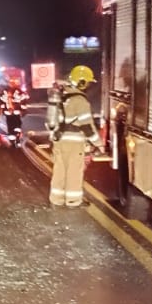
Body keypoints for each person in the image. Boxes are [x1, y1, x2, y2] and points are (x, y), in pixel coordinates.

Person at [49, 65, 102, 207]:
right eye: (88, 82)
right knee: (74, 171)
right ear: (82, 82)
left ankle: (56, 199)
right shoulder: (80, 100)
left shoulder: (62, 96)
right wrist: (98, 143)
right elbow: (87, 126)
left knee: (59, 170)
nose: (88, 86)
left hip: (58, 140)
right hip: (74, 143)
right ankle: (73, 201)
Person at [0, 78, 29, 144]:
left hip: (11, 112)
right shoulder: (18, 91)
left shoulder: (6, 91)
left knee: (13, 124)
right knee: (15, 123)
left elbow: (0, 101)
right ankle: (15, 136)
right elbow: (24, 99)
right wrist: (23, 109)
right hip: (13, 112)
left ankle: (14, 137)